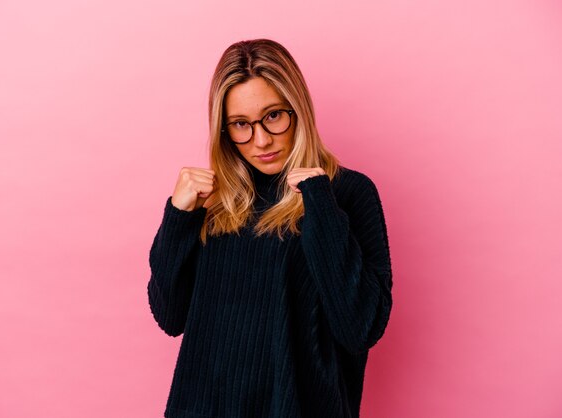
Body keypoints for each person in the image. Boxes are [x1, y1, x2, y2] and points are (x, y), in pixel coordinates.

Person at [147, 38, 393, 418]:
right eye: (241, 125)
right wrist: (178, 217)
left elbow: (360, 328)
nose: (261, 140)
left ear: (298, 109)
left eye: (274, 116)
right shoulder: (215, 201)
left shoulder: (345, 193)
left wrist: (320, 206)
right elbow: (170, 317)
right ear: (224, 130)